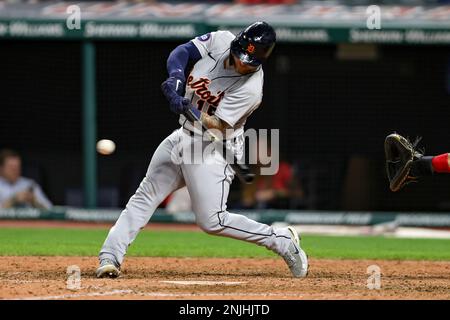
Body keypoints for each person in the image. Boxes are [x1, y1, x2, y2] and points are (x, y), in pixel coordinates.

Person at [96, 21, 308, 279]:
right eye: (241, 56)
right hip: (183, 136)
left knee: (212, 221)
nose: (242, 64)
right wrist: (176, 76)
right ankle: (110, 256)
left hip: (214, 147)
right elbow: (182, 52)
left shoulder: (251, 89)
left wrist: (191, 109)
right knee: (145, 196)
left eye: (249, 62)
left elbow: (218, 125)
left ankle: (282, 240)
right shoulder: (220, 40)